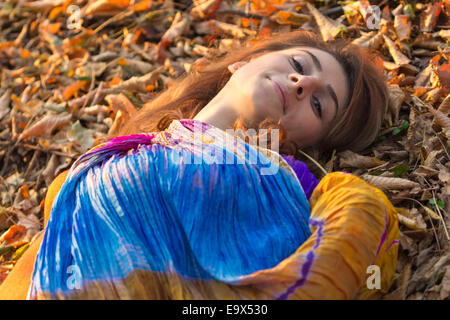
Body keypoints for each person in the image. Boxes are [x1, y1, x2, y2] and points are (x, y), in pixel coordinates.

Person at [0, 30, 399, 300]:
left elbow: (364, 221)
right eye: (299, 62)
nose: (301, 83)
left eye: (318, 104)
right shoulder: (120, 151)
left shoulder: (287, 181)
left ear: (313, 140)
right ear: (245, 62)